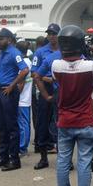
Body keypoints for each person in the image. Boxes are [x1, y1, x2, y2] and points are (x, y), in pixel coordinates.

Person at [51, 25, 93, 186]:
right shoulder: (90, 66)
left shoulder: (56, 65)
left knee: (63, 162)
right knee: (84, 163)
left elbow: (58, 79)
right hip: (85, 121)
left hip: (65, 122)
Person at [0, 28, 27, 172]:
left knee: (11, 127)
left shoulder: (14, 53)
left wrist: (12, 86)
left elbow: (25, 70)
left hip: (8, 93)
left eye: (1, 39)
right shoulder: (1, 53)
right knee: (1, 126)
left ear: (9, 40)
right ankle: (3, 157)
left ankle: (14, 159)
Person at [31, 24, 61, 170]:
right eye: (49, 34)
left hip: (60, 89)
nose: (51, 36)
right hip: (44, 88)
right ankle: (43, 157)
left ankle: (63, 156)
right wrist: (49, 80)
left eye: (54, 33)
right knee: (42, 122)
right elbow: (34, 73)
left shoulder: (64, 51)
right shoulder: (40, 52)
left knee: (60, 123)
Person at [16, 40, 33, 155]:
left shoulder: (22, 63)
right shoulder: (29, 61)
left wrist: (15, 96)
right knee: (25, 123)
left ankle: (22, 148)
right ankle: (23, 146)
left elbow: (20, 83)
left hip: (21, 99)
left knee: (22, 124)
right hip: (26, 98)